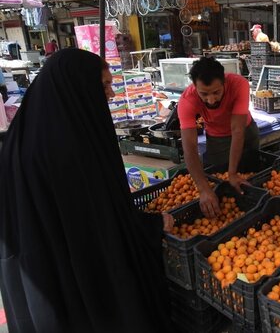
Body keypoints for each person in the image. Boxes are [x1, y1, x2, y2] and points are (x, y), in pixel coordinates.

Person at [0, 49, 174, 332]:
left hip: (38, 276)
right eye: (105, 85)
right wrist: (149, 226)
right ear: (79, 84)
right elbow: (97, 223)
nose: (112, 94)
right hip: (75, 281)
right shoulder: (69, 150)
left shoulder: (23, 136)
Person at [178, 57, 259, 218]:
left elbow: (237, 130)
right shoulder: (187, 101)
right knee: (221, 181)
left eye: (216, 92)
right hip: (217, 138)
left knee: (252, 173)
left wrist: (232, 173)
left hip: (245, 130)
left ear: (224, 83)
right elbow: (190, 148)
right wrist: (204, 189)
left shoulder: (239, 84)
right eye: (204, 94)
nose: (211, 99)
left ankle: (251, 207)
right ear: (195, 87)